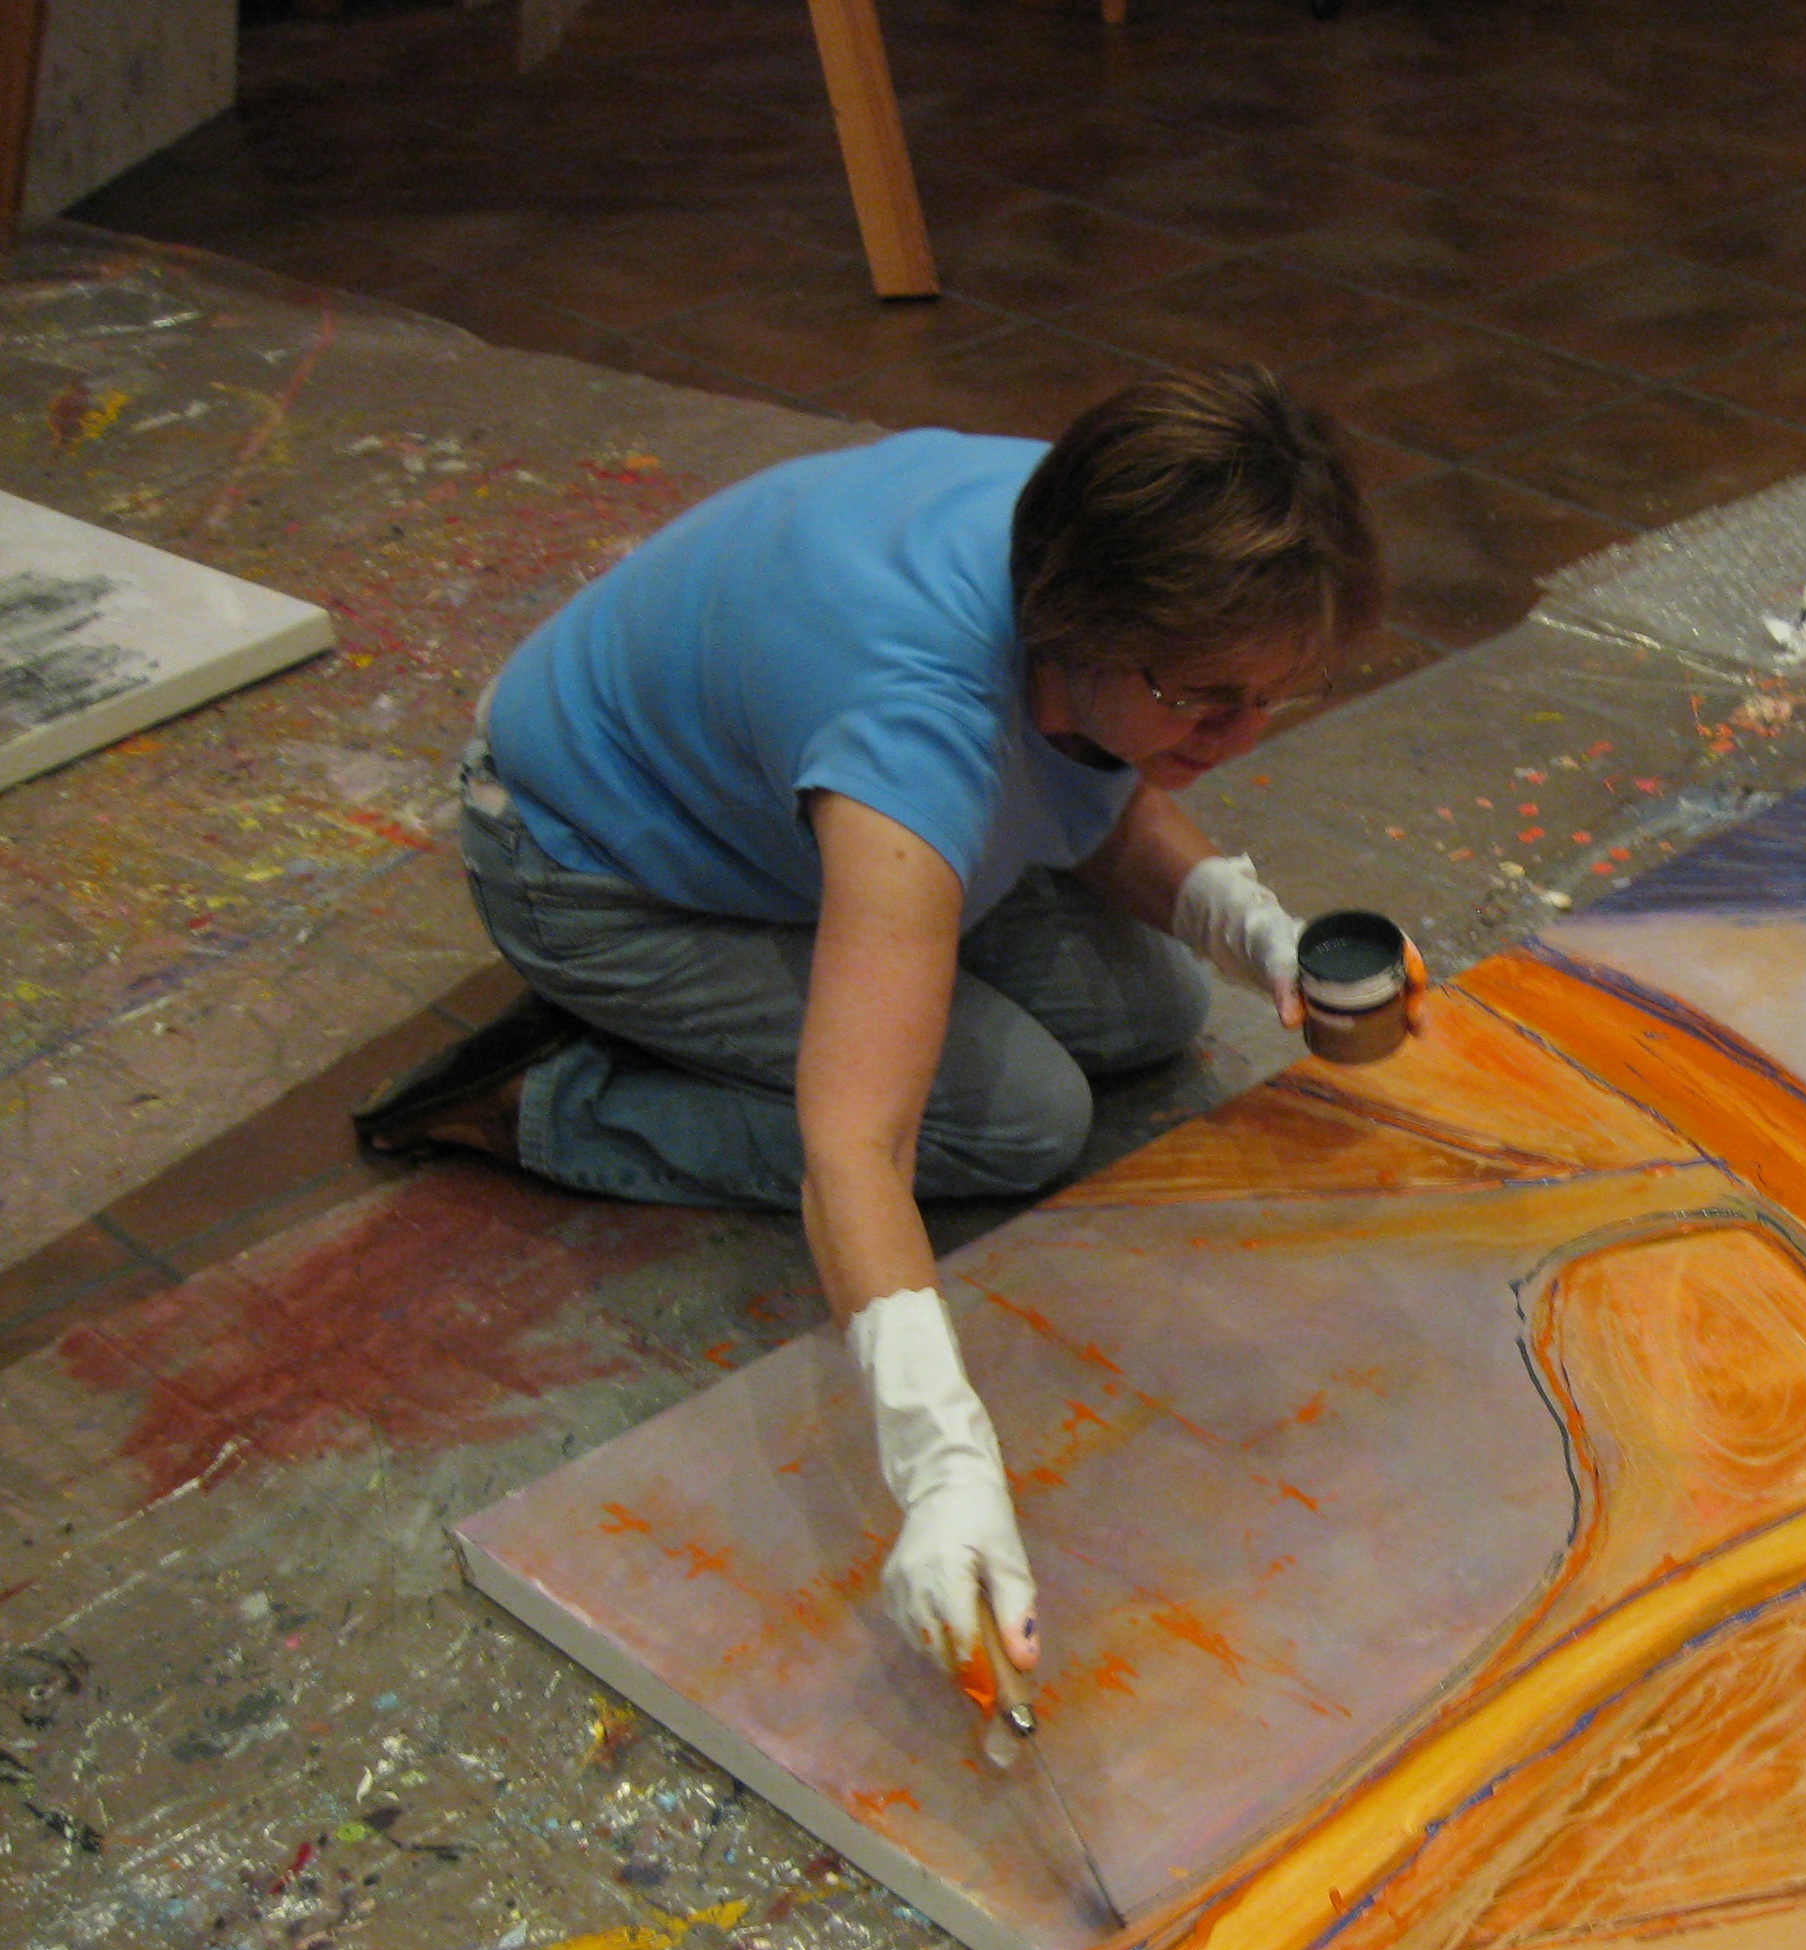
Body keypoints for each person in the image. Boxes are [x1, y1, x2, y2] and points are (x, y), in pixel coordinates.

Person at [355, 365, 1394, 1708]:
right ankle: (552, 1100)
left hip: (814, 819)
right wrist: (945, 1466)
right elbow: (858, 1149)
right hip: (594, 869)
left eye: (1272, 697)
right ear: (1081, 627)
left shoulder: (1116, 522)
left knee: (1159, 1007)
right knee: (1014, 1117)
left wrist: (1265, 938)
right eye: (1211, 700)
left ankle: (851, 966)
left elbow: (1100, 786)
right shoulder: (913, 724)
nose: (1239, 736)